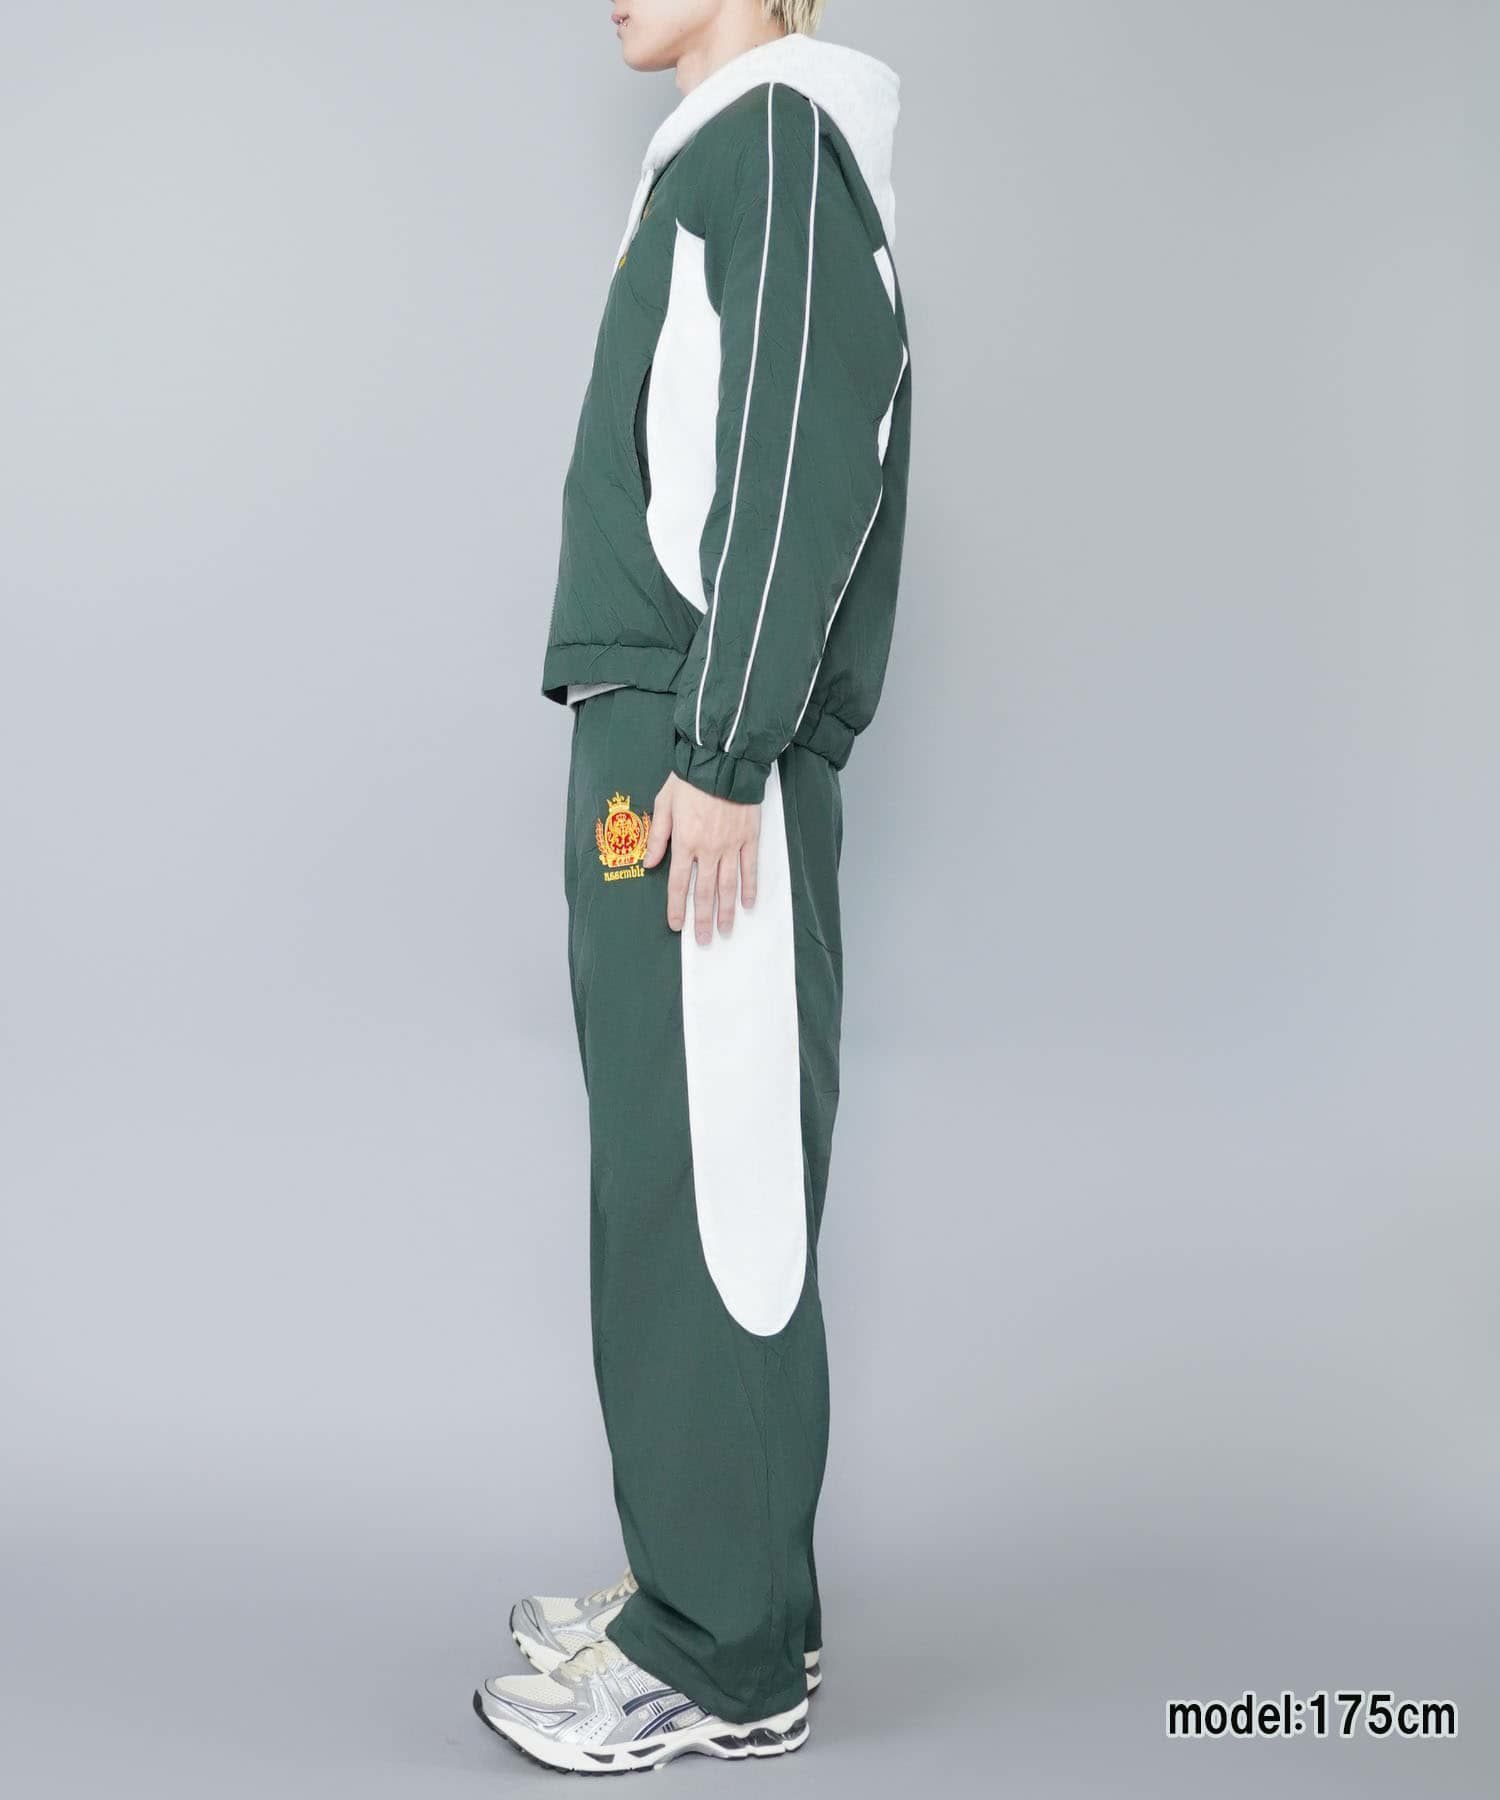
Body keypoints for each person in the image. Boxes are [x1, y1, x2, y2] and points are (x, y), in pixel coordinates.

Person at [474, 0, 912, 1773]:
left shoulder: (779, 144)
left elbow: (803, 439)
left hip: (699, 747)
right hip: (658, 733)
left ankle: (725, 1657)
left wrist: (725, 749)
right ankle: (703, 1583)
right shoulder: (723, 158)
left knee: (719, 1188)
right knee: (669, 1175)